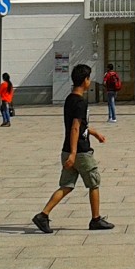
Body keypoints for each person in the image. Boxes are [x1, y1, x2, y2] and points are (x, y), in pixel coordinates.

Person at [32, 62, 114, 233]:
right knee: (94, 183)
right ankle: (96, 219)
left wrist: (94, 133)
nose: (89, 81)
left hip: (67, 150)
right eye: (89, 78)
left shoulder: (69, 99)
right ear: (85, 80)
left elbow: (79, 126)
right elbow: (75, 128)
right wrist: (74, 153)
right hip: (80, 152)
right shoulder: (81, 102)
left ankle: (43, 215)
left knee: (67, 185)